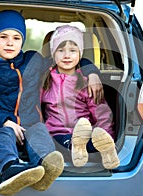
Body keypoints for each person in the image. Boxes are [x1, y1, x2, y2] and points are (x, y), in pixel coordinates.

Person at [0, 10, 103, 196]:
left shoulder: (33, 61)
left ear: (23, 40)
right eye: (3, 37)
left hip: (29, 129)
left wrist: (91, 71)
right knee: (4, 134)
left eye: (16, 37)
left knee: (39, 129)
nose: (10, 43)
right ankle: (10, 170)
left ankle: (45, 166)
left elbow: (65, 60)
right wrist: (5, 121)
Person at [41, 25, 120, 169]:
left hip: (86, 131)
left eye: (73, 50)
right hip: (57, 132)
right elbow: (33, 103)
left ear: (80, 54)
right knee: (60, 143)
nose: (67, 55)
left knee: (93, 139)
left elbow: (101, 112)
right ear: (53, 53)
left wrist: (107, 135)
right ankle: (81, 147)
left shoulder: (86, 81)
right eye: (61, 50)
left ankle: (103, 147)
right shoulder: (45, 80)